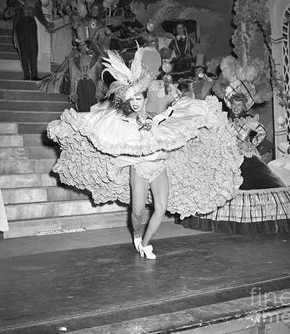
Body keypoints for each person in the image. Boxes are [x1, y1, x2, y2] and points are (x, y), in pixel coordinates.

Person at [48, 46, 243, 259]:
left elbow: (173, 101)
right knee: (138, 212)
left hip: (158, 163)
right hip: (139, 167)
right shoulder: (128, 116)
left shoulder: (159, 95)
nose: (135, 102)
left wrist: (176, 97)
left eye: (138, 98)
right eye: (132, 100)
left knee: (161, 207)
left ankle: (146, 244)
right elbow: (107, 114)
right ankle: (137, 235)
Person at [183, 92, 290, 234]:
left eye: (239, 105)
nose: (236, 107)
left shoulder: (248, 120)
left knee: (253, 182)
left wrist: (252, 144)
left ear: (244, 107)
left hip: (245, 154)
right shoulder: (224, 119)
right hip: (227, 154)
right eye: (234, 104)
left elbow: (262, 132)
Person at [4, 0, 54, 80]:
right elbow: (10, 9)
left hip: (32, 26)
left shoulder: (36, 1)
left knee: (33, 49)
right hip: (20, 26)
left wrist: (47, 24)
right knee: (24, 50)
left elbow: (40, 16)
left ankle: (34, 75)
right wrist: (10, 11)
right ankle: (27, 75)